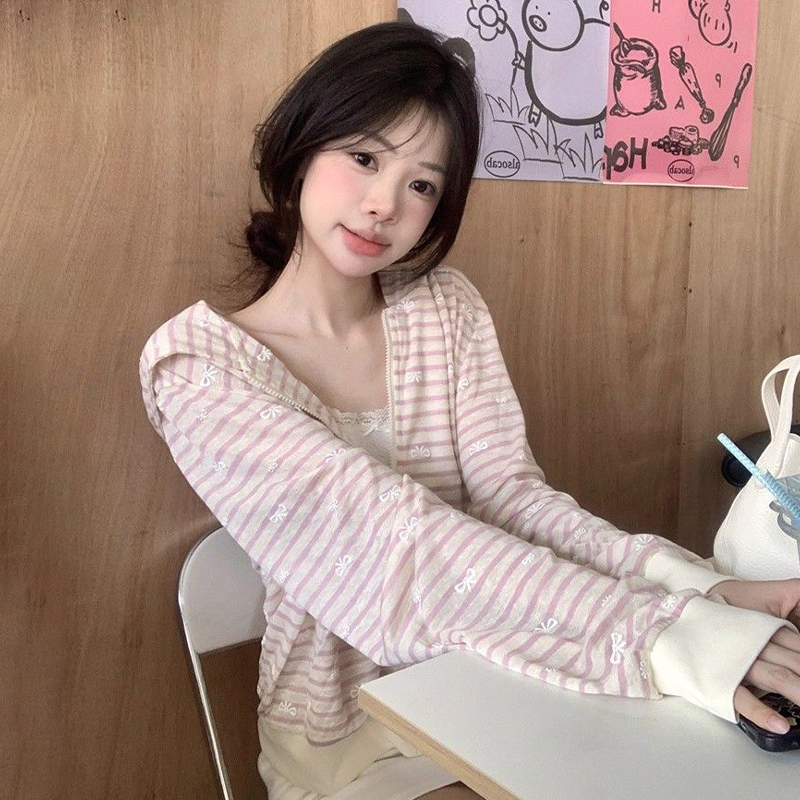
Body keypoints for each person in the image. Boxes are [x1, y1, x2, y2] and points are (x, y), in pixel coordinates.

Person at [139, 20, 800, 800]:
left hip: (511, 680)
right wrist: (667, 635)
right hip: (352, 735)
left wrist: (686, 587)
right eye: (363, 158)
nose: (384, 204)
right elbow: (404, 550)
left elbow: (512, 501)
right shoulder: (197, 370)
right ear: (300, 146)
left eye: (422, 184)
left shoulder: (444, 308)